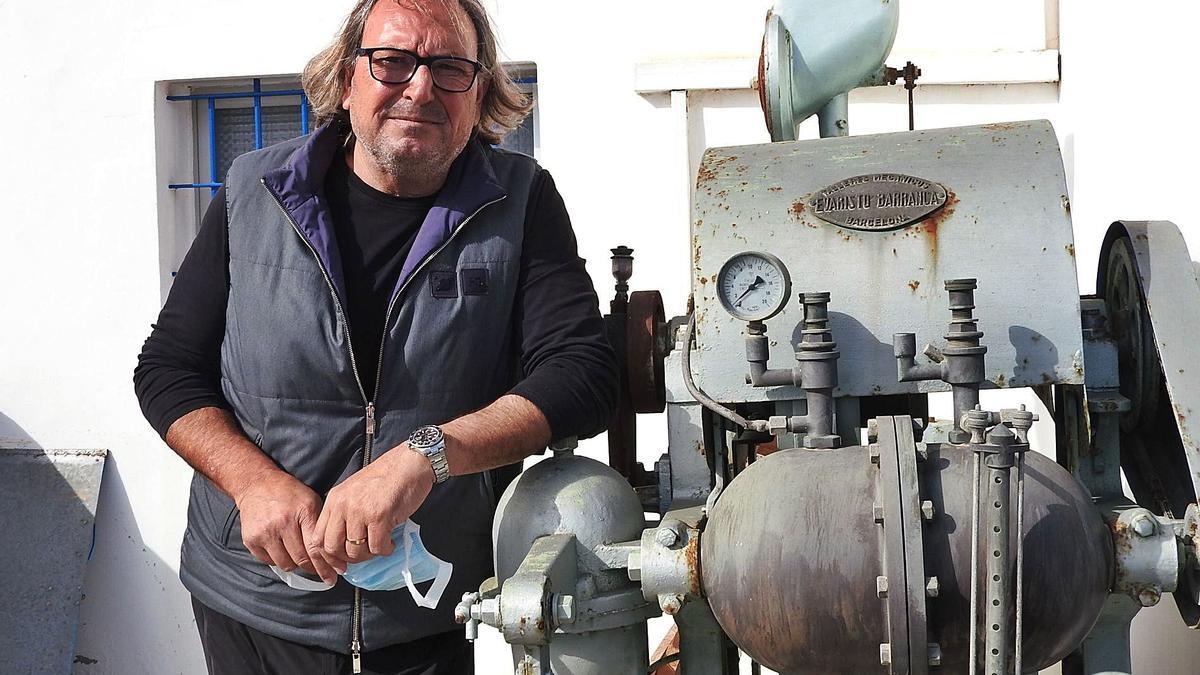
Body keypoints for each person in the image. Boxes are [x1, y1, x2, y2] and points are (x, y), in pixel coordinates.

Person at [133, 0, 618, 672]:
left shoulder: (520, 200)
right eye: (392, 62)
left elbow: (584, 372)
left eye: (450, 68)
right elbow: (167, 369)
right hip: (254, 606)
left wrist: (425, 455)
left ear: (479, 93)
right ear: (347, 77)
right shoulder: (254, 191)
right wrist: (253, 484)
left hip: (428, 611)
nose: (419, 87)